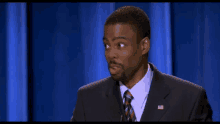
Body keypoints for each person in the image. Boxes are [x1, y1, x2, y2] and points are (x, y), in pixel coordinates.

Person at [70, 6, 213, 122]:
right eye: (107, 45)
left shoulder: (189, 99)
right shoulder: (88, 99)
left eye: (120, 45)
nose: (110, 54)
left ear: (144, 46)